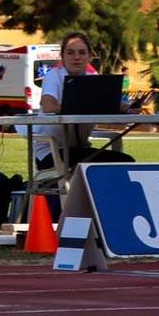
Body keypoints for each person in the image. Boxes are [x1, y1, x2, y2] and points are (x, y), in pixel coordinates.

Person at [39, 30, 133, 269]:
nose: (76, 57)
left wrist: (128, 108)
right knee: (99, 165)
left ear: (90, 56)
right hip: (54, 152)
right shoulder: (54, 77)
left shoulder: (95, 80)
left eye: (82, 53)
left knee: (125, 161)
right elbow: (48, 105)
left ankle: (112, 227)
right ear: (62, 56)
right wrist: (75, 105)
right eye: (70, 53)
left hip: (81, 148)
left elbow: (112, 108)